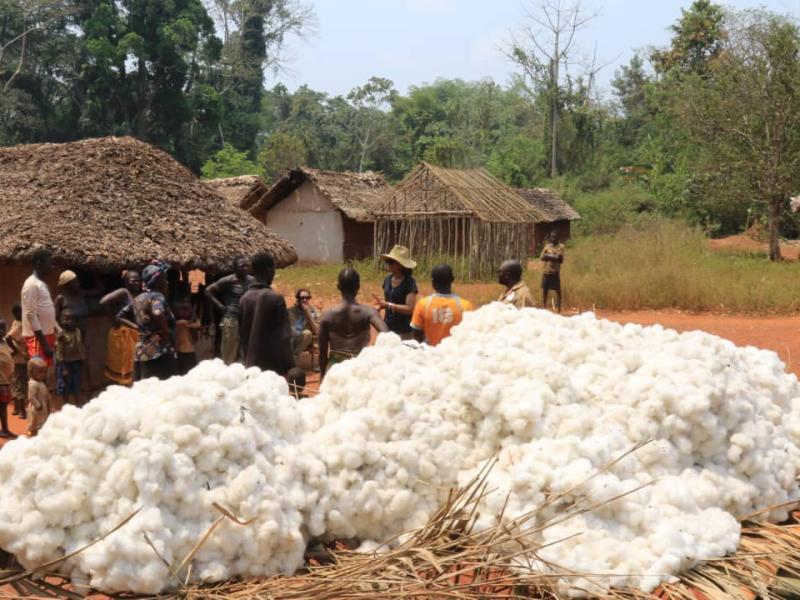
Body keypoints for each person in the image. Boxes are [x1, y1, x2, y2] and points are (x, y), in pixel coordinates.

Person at [320, 268, 388, 379]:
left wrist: (323, 375)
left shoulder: (327, 316)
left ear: (338, 287)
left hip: (336, 369)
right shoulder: (369, 312)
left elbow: (323, 352)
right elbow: (386, 334)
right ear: (358, 287)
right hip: (359, 369)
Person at [118, 262, 177, 381]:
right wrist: (165, 331)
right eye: (164, 280)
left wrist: (137, 327)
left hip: (142, 350)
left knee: (145, 389)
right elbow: (158, 312)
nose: (167, 282)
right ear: (157, 281)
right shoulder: (157, 296)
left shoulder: (138, 298)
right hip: (159, 351)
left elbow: (120, 315)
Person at [238, 252, 294, 375]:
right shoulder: (276, 298)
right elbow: (285, 337)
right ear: (269, 270)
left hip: (251, 369)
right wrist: (291, 365)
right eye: (274, 268)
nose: (274, 272)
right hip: (273, 371)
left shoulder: (244, 299)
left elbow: (241, 337)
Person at [205, 257, 255, 365]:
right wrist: (219, 305)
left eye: (247, 266)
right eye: (242, 266)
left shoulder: (252, 280)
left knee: (245, 351)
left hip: (246, 319)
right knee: (229, 352)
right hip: (231, 319)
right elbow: (208, 291)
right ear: (235, 268)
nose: (246, 268)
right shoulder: (228, 280)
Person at [411, 265, 474, 346]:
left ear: (433, 282)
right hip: (456, 355)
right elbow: (470, 335)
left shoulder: (422, 305)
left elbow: (416, 333)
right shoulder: (466, 306)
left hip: (429, 354)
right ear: (452, 280)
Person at [100, 270, 141, 386]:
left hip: (134, 334)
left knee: (134, 363)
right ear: (126, 282)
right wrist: (114, 320)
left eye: (138, 280)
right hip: (123, 333)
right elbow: (103, 302)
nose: (137, 283)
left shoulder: (138, 295)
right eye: (133, 281)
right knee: (121, 364)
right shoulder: (124, 292)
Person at [21, 248, 57, 366]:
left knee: (45, 371)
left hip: (46, 335)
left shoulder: (42, 284)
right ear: (39, 263)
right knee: (38, 371)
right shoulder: (31, 284)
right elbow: (31, 315)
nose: (52, 266)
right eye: (49, 262)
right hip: (38, 338)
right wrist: (44, 344)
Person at [375, 245, 418, 339]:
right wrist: (381, 306)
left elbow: (410, 309)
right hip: (387, 328)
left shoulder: (409, 282)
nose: (387, 264)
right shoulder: (387, 279)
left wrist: (388, 305)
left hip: (403, 331)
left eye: (390, 262)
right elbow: (390, 299)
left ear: (399, 265)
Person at [55, 308, 86, 407]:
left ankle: (78, 404)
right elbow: (59, 352)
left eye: (72, 319)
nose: (69, 321)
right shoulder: (61, 335)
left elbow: (80, 346)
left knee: (76, 384)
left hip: (77, 362)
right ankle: (66, 405)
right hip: (65, 364)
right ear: (60, 321)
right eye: (66, 319)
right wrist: (63, 367)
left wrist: (83, 358)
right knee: (65, 386)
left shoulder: (78, 331)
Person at [5, 304, 28, 419]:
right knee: (21, 384)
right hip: (21, 359)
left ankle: (17, 408)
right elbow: (8, 337)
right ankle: (23, 411)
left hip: (18, 359)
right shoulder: (19, 324)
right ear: (18, 313)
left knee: (17, 382)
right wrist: (16, 350)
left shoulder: (16, 322)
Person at [54, 270, 90, 336]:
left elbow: (100, 291)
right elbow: (53, 318)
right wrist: (59, 329)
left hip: (81, 337)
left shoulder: (81, 295)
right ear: (67, 284)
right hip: (66, 338)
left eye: (77, 281)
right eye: (75, 282)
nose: (78, 284)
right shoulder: (61, 298)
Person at [289, 289, 320, 364]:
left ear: (309, 298)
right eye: (302, 298)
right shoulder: (291, 311)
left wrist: (308, 314)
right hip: (292, 338)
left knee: (307, 333)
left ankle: (294, 357)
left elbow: (318, 331)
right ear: (298, 299)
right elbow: (293, 328)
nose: (304, 300)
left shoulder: (314, 311)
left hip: (306, 339)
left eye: (307, 297)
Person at [174, 296, 201, 375]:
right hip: (184, 352)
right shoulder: (181, 322)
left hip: (187, 352)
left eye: (188, 303)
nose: (186, 305)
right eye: (184, 304)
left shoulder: (181, 322)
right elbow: (198, 324)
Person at [541, 231, 565, 313]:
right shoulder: (547, 246)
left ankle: (559, 309)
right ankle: (544, 308)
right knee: (545, 290)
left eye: (555, 237)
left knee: (558, 291)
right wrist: (553, 256)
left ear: (558, 238)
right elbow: (542, 257)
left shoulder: (561, 246)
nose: (553, 239)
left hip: (555, 272)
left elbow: (559, 259)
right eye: (552, 237)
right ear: (550, 237)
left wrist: (548, 255)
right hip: (546, 272)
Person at [0, 319, 17, 438]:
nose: (1, 331)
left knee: (4, 405)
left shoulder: (5, 342)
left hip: (5, 381)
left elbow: (12, 354)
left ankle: (5, 429)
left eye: (3, 328)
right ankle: (4, 429)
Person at [27, 356, 51, 437]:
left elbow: (47, 395)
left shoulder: (41, 383)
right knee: (35, 423)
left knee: (42, 423)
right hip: (36, 409)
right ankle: (33, 435)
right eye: (40, 372)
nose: (43, 374)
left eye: (44, 372)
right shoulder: (33, 384)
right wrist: (38, 405)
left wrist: (49, 405)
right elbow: (31, 397)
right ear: (31, 372)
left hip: (43, 408)